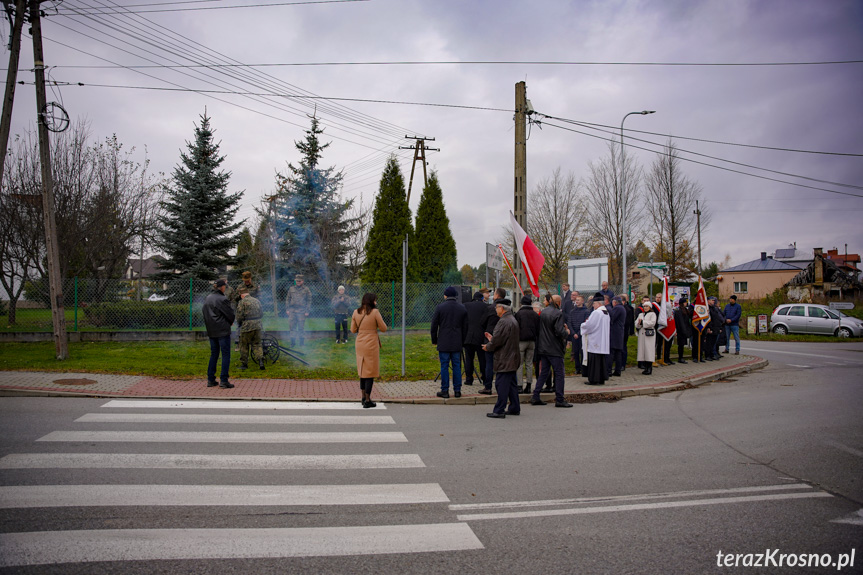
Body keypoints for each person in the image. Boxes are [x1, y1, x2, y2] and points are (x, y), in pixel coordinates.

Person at [530, 294, 572, 407]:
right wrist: (566, 332)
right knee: (559, 373)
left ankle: (535, 395)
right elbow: (559, 331)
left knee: (544, 372)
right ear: (558, 302)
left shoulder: (543, 312)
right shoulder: (558, 313)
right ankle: (559, 399)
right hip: (554, 348)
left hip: (543, 347)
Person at [483, 298, 521, 418]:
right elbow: (503, 338)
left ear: (502, 308)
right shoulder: (511, 319)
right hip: (512, 357)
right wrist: (492, 340)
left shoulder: (504, 321)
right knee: (511, 385)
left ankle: (499, 410)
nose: (495, 309)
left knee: (501, 384)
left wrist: (488, 346)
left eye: (496, 307)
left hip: (505, 358)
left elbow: (498, 340)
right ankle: (514, 407)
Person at [430, 286, 469, 399]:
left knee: (444, 366)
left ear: (446, 295)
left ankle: (445, 390)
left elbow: (434, 325)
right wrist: (463, 340)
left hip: (444, 341)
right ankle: (457, 390)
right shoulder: (462, 308)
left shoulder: (440, 307)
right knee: (457, 366)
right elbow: (466, 327)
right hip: (457, 342)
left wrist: (434, 340)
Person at [351, 293, 387, 408]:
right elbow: (383, 328)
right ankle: (367, 400)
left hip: (360, 343)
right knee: (369, 372)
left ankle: (362, 397)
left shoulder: (356, 312)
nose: (376, 302)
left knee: (362, 371)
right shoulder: (375, 312)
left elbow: (353, 330)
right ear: (371, 301)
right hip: (371, 344)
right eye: (375, 300)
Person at [202, 279, 235, 389]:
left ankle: (211, 379)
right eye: (225, 286)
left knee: (214, 354)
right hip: (222, 330)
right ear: (222, 287)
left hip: (212, 330)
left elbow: (205, 313)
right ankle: (224, 380)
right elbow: (230, 314)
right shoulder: (222, 299)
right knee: (225, 355)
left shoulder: (208, 298)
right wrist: (230, 322)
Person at [479, 288, 507, 395]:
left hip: (490, 336)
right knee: (502, 363)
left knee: (489, 363)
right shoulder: (508, 308)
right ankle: (502, 386)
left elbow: (482, 322)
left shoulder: (490, 308)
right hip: (503, 338)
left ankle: (488, 386)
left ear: (497, 295)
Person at [580, 293, 610, 386]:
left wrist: (582, 325)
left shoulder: (596, 312)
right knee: (601, 361)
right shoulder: (606, 312)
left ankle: (594, 379)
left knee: (594, 361)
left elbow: (590, 325)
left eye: (594, 303)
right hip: (602, 340)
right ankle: (601, 378)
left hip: (595, 340)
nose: (593, 305)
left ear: (599, 303)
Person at [515, 294, 540, 393]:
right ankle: (529, 385)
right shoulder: (535, 314)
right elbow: (538, 328)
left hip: (521, 341)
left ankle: (519, 385)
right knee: (529, 363)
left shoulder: (519, 314)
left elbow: (516, 328)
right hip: (532, 341)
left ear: (521, 303)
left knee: (520, 364)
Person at [229, 271, 259, 350]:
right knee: (240, 326)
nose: (246, 282)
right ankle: (238, 343)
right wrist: (239, 295)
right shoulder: (240, 287)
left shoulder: (255, 286)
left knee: (254, 327)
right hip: (243, 309)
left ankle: (254, 344)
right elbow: (234, 299)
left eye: (247, 280)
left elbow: (259, 297)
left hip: (253, 310)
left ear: (250, 278)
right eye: (245, 280)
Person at [464, 291, 489, 386]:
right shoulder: (485, 306)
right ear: (482, 298)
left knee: (469, 359)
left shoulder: (466, 305)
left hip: (468, 337)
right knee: (482, 359)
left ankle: (469, 379)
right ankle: (485, 378)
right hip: (481, 337)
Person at [235, 291, 265, 371]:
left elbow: (239, 316)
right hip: (258, 325)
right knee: (257, 344)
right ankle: (260, 361)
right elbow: (261, 313)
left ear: (242, 295)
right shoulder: (256, 301)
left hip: (247, 326)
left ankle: (244, 364)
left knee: (244, 345)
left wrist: (239, 323)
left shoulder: (242, 302)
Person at [286, 274, 312, 347]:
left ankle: (301, 343)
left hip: (301, 311)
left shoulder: (306, 289)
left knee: (301, 328)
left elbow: (309, 300)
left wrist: (307, 311)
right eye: (297, 281)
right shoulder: (291, 289)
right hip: (292, 311)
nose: (298, 282)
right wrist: (287, 309)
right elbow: (288, 299)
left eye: (299, 281)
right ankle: (292, 343)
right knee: (292, 327)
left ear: (302, 281)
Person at [568, 295, 590, 375]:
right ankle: (577, 368)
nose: (577, 301)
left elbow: (585, 323)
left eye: (578, 300)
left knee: (583, 351)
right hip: (574, 335)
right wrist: (573, 333)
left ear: (582, 301)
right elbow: (569, 322)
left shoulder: (586, 311)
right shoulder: (572, 311)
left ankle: (583, 367)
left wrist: (578, 333)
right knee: (576, 352)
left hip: (582, 334)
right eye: (576, 300)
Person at [635, 301, 658, 375]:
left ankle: (649, 367)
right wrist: (638, 323)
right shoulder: (641, 314)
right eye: (644, 306)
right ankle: (645, 366)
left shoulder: (652, 314)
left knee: (649, 350)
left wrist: (643, 323)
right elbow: (636, 323)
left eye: (646, 306)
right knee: (643, 351)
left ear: (650, 307)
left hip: (649, 335)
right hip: (642, 334)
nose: (645, 308)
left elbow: (652, 323)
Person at [607, 296, 626, 377]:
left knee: (612, 352)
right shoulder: (622, 308)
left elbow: (612, 318)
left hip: (614, 333)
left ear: (614, 302)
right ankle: (617, 370)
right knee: (618, 352)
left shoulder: (617, 308)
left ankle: (608, 371)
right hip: (619, 333)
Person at [673, 297, 691, 364]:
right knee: (681, 344)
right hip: (681, 330)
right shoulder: (678, 310)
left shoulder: (685, 310)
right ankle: (680, 357)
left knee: (683, 344)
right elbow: (680, 321)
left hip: (685, 329)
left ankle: (681, 357)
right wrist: (683, 330)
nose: (686, 303)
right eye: (685, 302)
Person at [621, 294, 635, 371]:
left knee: (623, 347)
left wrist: (631, 331)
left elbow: (630, 321)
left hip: (625, 330)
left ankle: (623, 364)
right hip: (619, 331)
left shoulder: (629, 308)